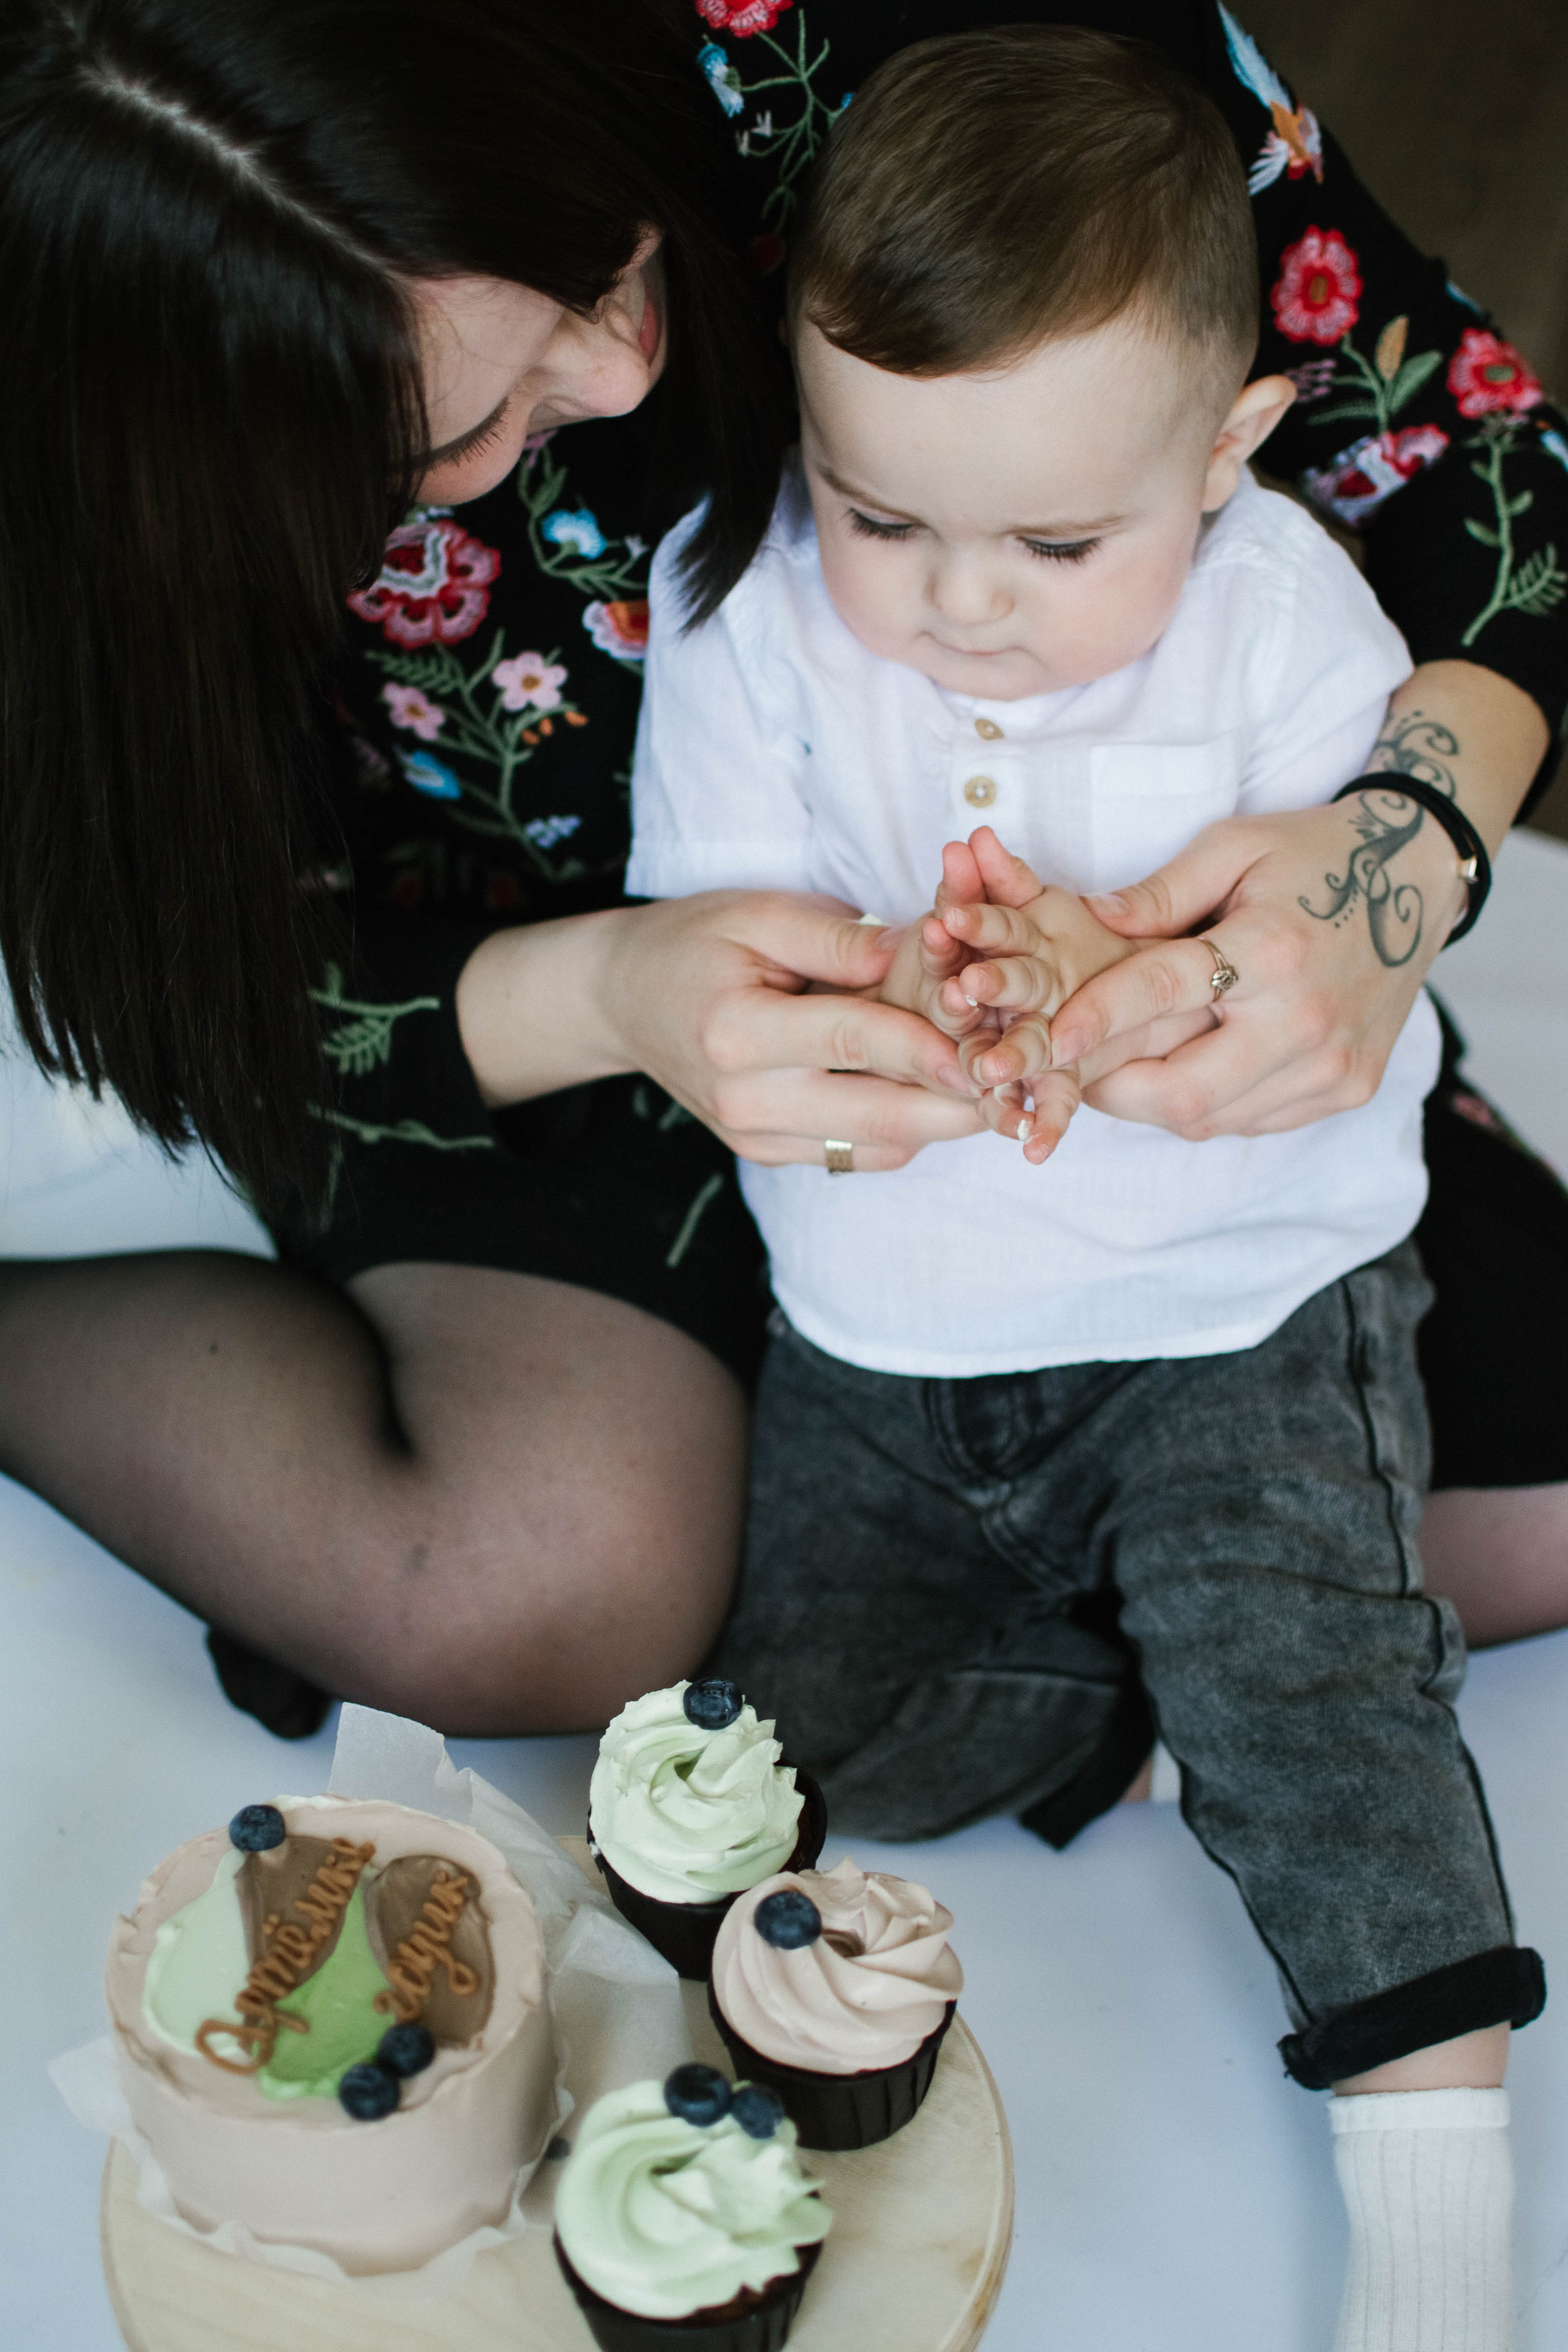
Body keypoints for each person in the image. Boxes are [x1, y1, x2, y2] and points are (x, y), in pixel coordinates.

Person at [0, 0, 1562, 1743]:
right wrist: (613, 992)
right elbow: (179, 978)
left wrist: (1400, 854)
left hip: (1092, 981)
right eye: (447, 439)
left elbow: (1474, 458)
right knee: (541, 1585)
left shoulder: (928, 42)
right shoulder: (72, 456)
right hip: (524, 1000)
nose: (616, 377)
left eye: (599, 259)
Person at [627, 32, 1540, 2348]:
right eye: (884, 513)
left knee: (1330, 1719)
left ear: (1224, 456)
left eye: (1054, 544)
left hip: (1243, 1309)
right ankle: (1130, 1707)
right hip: (893, 1334)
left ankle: (1440, 2225)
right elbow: (723, 960)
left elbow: (1311, 965)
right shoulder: (742, 613)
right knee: (813, 1757)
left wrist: (1129, 974)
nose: (955, 606)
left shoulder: (1290, 624)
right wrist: (901, 998)